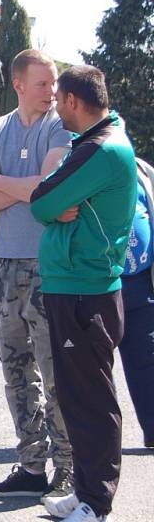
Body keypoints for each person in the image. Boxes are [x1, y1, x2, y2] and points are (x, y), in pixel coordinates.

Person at [30, 65, 137, 522]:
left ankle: (97, 502)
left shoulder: (101, 149)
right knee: (76, 397)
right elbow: (51, 202)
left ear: (73, 99)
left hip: (84, 291)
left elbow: (41, 202)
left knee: (92, 400)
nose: (54, 107)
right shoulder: (94, 144)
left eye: (57, 99)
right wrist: (54, 204)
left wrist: (53, 205)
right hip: (73, 286)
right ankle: (86, 490)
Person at [0, 49, 74, 502]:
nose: (51, 91)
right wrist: (22, 188)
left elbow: (49, 187)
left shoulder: (60, 126)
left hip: (48, 266)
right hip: (6, 264)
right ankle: (31, 465)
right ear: (18, 84)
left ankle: (69, 467)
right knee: (16, 367)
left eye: (52, 82)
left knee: (56, 370)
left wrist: (3, 183)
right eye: (42, 83)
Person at [118, 157, 154, 450]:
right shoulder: (82, 163)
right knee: (93, 369)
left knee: (147, 360)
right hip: (100, 284)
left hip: (142, 282)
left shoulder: (140, 168)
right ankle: (94, 440)